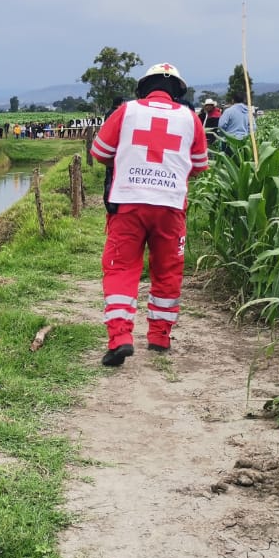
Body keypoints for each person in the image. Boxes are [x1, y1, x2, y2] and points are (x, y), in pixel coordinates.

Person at [90, 63, 208, 367]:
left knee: (120, 268)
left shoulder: (126, 111)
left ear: (143, 87)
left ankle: (120, 338)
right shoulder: (191, 119)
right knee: (168, 270)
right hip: (170, 207)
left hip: (128, 204)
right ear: (178, 91)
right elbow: (198, 166)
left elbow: (100, 152)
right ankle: (160, 337)